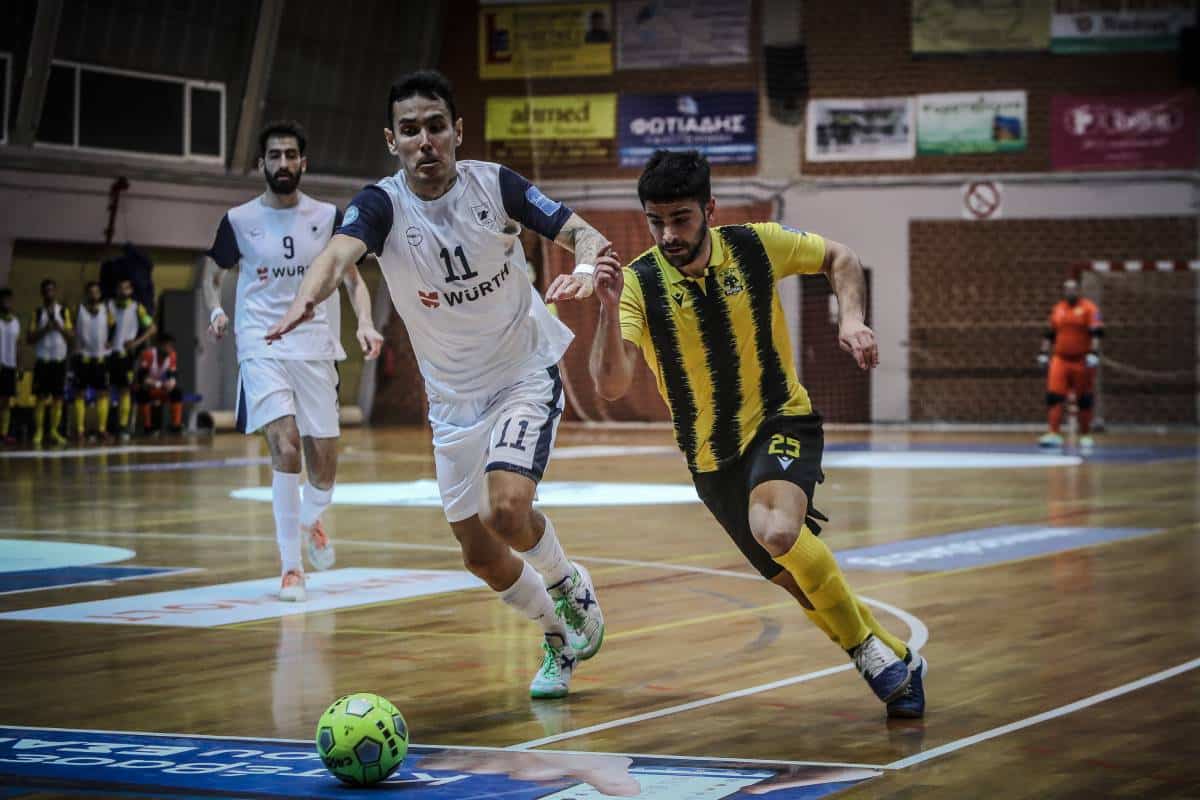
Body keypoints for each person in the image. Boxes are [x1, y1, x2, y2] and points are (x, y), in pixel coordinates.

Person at [268, 70, 607, 699]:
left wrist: (586, 267)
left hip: (522, 372)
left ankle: (567, 583)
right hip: (451, 400)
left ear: (457, 131)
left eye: (435, 127)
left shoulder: (494, 185)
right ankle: (555, 633)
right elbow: (337, 254)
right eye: (409, 130)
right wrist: (305, 300)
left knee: (508, 510)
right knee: (479, 554)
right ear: (391, 141)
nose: (424, 141)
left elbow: (583, 233)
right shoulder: (381, 205)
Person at [564, 149, 925, 718]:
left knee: (776, 530)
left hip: (781, 417)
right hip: (710, 460)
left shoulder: (756, 245)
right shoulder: (636, 283)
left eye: (680, 218)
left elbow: (841, 257)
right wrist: (608, 311)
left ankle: (866, 654)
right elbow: (610, 385)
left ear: (709, 210)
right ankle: (895, 656)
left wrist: (852, 318)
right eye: (655, 221)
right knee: (798, 581)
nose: (668, 234)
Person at [204, 120, 384, 603]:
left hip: (315, 348)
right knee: (285, 447)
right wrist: (216, 310)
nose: (282, 163)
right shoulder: (239, 220)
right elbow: (211, 274)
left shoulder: (328, 217)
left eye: (290, 155)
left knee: (323, 472)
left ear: (303, 162)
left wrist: (366, 323)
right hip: (261, 345)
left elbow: (353, 281)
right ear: (261, 163)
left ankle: (310, 518)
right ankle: (291, 569)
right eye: (274, 155)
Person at [1038, 278, 1102, 451]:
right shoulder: (1058, 309)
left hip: (1081, 360)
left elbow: (1096, 333)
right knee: (1054, 396)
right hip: (1060, 359)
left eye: (1073, 289)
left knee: (1084, 398)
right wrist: (1043, 353)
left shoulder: (1089, 308)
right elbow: (1050, 333)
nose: (1070, 292)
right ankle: (1054, 433)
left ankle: (1085, 434)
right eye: (1067, 289)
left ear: (1078, 291)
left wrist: (1093, 353)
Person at [107, 277, 156, 440]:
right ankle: (108, 427)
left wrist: (136, 343)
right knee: (107, 390)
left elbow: (152, 328)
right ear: (116, 290)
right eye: (120, 288)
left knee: (125, 389)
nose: (123, 291)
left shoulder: (137, 308)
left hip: (125, 355)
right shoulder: (108, 306)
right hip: (107, 355)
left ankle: (122, 426)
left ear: (131, 291)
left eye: (126, 288)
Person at [27, 278, 73, 447]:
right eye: (46, 291)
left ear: (56, 292)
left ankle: (54, 431)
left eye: (52, 290)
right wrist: (45, 328)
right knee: (40, 397)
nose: (49, 293)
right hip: (43, 360)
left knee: (58, 397)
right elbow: (29, 338)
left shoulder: (64, 312)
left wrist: (59, 327)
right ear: (42, 293)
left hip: (59, 360)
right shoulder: (37, 313)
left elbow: (71, 337)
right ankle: (39, 431)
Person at [72, 281, 113, 442]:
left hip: (100, 358)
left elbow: (113, 325)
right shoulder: (79, 309)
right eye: (91, 292)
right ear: (86, 294)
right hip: (83, 357)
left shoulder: (106, 309)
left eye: (96, 292)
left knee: (103, 393)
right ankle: (80, 430)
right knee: (80, 393)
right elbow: (70, 328)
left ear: (100, 294)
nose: (94, 294)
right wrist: (73, 342)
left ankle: (102, 429)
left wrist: (110, 340)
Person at [135, 332, 183, 434]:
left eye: (171, 346)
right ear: (160, 345)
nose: (170, 349)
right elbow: (142, 378)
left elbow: (172, 375)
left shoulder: (172, 355)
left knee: (177, 392)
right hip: (149, 388)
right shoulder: (148, 354)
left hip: (160, 389)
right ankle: (147, 426)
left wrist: (171, 384)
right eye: (168, 346)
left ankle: (176, 425)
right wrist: (159, 384)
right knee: (142, 391)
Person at [0, 289, 19, 445]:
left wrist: (19, 365)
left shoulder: (15, 322)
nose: (7, 302)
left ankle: (3, 433)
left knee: (6, 400)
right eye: (3, 300)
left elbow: (17, 345)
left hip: (10, 365)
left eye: (9, 300)